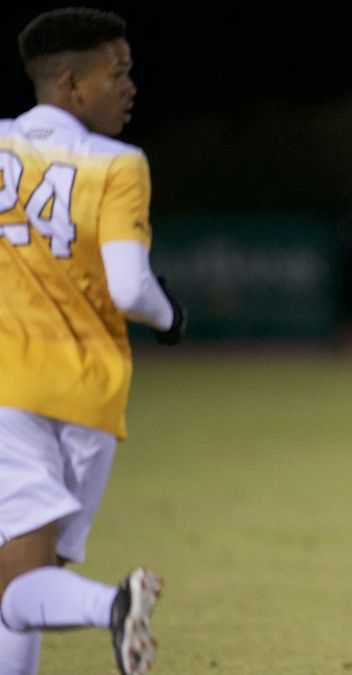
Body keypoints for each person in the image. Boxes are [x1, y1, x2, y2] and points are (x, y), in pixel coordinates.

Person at [0, 8, 185, 675]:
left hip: (10, 392)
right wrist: (172, 317)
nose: (131, 86)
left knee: (17, 586)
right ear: (73, 85)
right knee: (23, 579)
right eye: (119, 73)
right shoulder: (118, 164)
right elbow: (133, 288)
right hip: (92, 399)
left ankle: (113, 604)